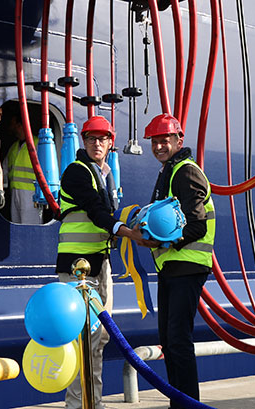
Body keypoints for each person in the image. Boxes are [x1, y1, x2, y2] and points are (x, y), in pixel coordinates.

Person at [56, 115, 144, 409]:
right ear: (83, 141)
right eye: (91, 138)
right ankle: (77, 403)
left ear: (110, 143)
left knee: (100, 336)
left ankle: (94, 401)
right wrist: (129, 232)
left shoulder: (103, 174)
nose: (97, 143)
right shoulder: (77, 172)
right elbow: (96, 211)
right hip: (77, 268)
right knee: (79, 338)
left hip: (100, 264)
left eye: (102, 138)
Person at [140, 113, 215, 408]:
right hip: (172, 267)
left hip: (187, 266)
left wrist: (161, 241)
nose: (159, 146)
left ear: (178, 140)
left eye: (164, 140)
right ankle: (179, 402)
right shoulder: (169, 171)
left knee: (178, 340)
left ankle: (188, 404)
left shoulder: (185, 172)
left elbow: (196, 226)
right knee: (170, 342)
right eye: (154, 141)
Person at [0, 101, 45, 225]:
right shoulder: (13, 147)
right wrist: (3, 188)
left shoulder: (38, 144)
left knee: (31, 225)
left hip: (32, 194)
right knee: (16, 224)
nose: (11, 126)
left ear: (20, 125)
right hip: (15, 193)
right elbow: (4, 168)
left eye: (13, 123)